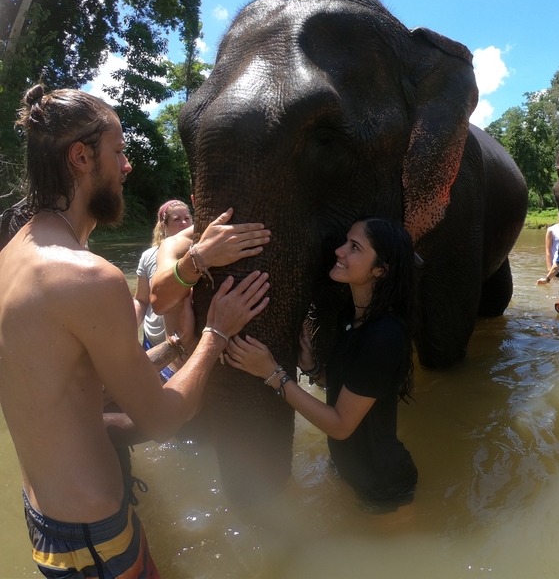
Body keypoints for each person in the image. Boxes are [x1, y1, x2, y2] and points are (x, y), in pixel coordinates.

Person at [0, 86, 271, 579]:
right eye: (119, 151)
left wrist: (174, 345)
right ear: (81, 157)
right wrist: (214, 334)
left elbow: (77, 386)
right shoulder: (86, 276)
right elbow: (165, 418)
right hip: (95, 539)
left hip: (47, 520)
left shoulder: (11, 256)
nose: (127, 166)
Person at [225, 217, 418, 509]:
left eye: (354, 247)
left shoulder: (384, 336)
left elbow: (341, 425)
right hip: (349, 471)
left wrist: (272, 374)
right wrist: (313, 368)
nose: (340, 251)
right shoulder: (350, 319)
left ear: (381, 270)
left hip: (384, 486)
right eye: (345, 242)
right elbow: (354, 390)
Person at [133, 200, 193, 380]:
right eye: (177, 219)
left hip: (181, 340)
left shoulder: (198, 256)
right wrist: (129, 327)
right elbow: (141, 300)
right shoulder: (148, 256)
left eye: (187, 218)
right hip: (152, 341)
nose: (184, 223)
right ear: (163, 226)